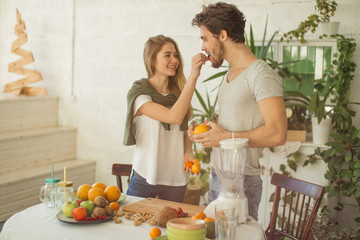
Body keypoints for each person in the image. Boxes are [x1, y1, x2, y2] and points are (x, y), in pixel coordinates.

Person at [190, 2, 287, 220]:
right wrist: (207, 131)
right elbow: (232, 123)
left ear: (222, 35)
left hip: (242, 183)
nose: (203, 46)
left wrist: (225, 138)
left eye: (205, 38)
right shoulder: (231, 74)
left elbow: (277, 133)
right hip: (219, 178)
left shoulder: (261, 74)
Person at [123, 35, 208, 203]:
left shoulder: (178, 95)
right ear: (152, 59)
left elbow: (182, 129)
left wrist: (188, 153)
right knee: (132, 227)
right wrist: (194, 75)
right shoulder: (140, 94)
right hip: (145, 176)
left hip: (176, 179)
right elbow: (174, 118)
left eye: (175, 55)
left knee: (171, 228)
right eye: (167, 55)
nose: (174, 60)